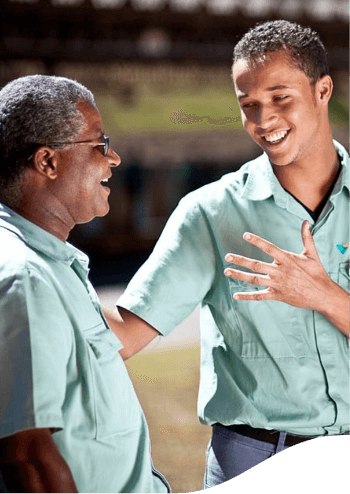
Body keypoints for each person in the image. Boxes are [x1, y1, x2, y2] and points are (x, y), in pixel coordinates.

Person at [104, 20, 350, 486]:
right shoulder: (210, 213)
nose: (264, 121)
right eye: (249, 105)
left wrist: (324, 295)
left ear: (323, 90)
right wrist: (47, 276)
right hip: (253, 456)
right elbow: (125, 336)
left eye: (281, 98)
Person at [0, 75, 171, 494]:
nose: (113, 158)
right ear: (47, 162)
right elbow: (28, 459)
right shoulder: (22, 280)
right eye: (100, 145)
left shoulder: (47, 264)